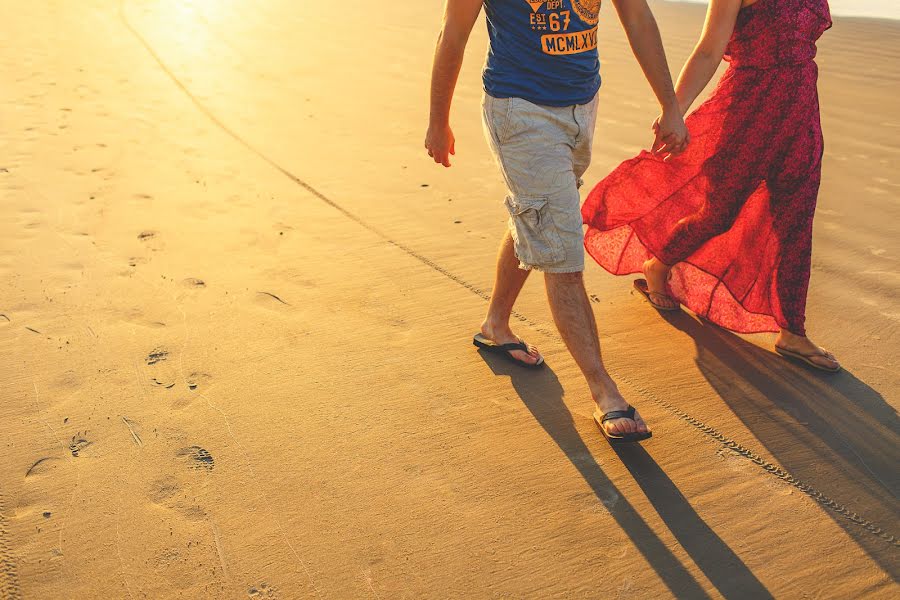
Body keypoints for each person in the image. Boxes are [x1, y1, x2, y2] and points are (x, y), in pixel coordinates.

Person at [425, 0, 689, 442]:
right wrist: (438, 119)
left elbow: (637, 17)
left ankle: (495, 325)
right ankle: (605, 392)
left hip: (582, 107)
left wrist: (670, 104)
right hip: (520, 111)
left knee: (541, 216)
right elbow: (453, 31)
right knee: (563, 254)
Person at [582, 0, 840, 372]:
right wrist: (675, 109)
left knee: (796, 222)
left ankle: (792, 331)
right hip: (749, 110)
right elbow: (708, 50)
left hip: (801, 111)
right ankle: (659, 264)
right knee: (719, 212)